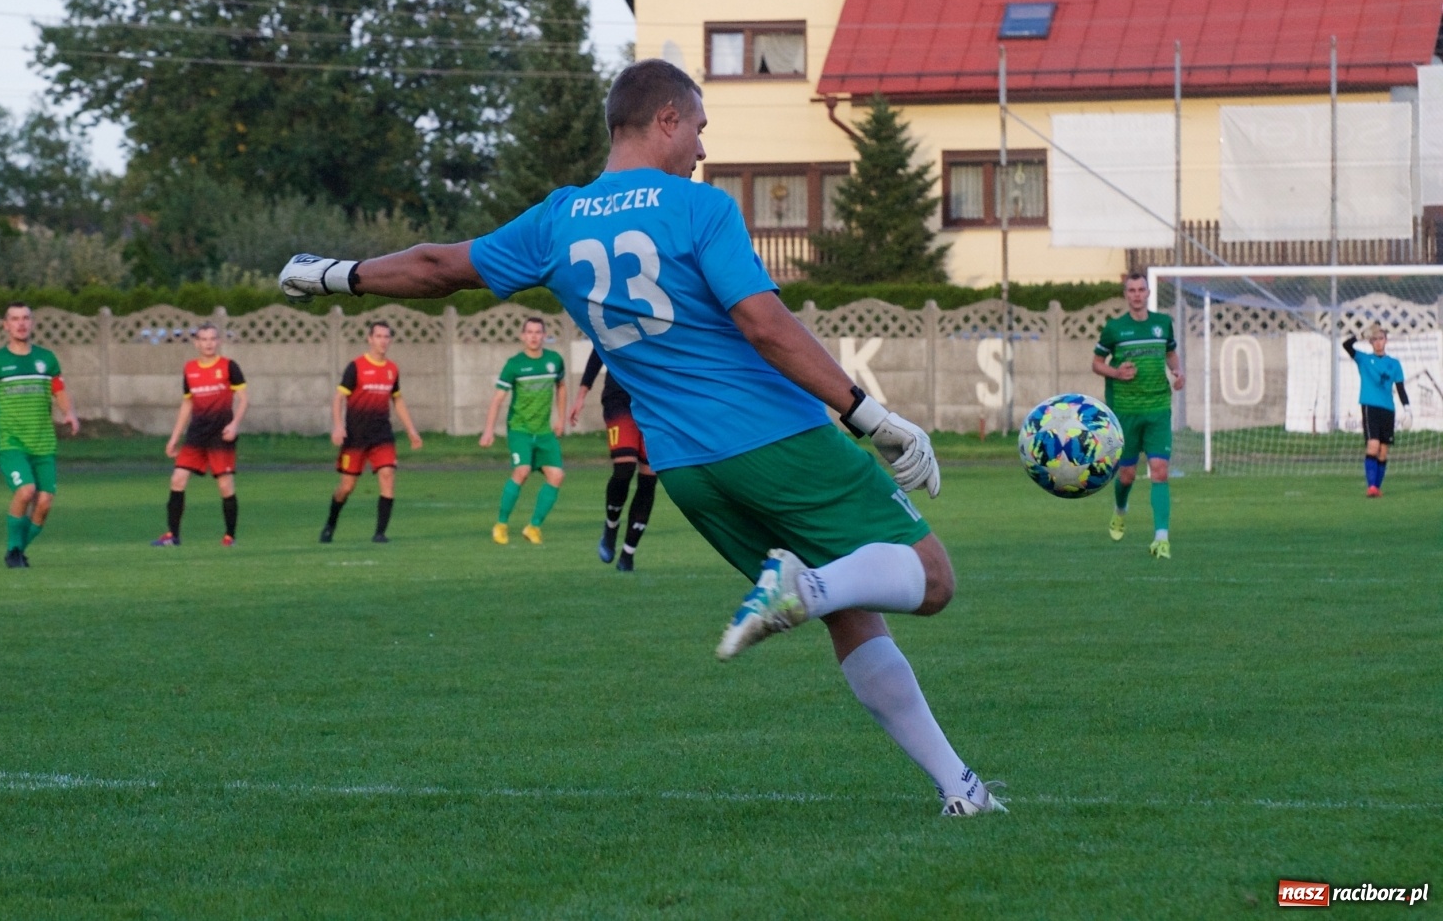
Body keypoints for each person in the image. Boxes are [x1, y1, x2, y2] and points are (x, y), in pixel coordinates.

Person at [280, 58, 1005, 816]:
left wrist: (335, 274)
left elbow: (436, 266)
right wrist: (870, 415)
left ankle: (961, 788)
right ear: (664, 119)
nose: (700, 147)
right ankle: (806, 586)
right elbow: (764, 324)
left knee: (852, 614)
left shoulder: (557, 219)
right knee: (931, 576)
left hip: (690, 471)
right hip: (773, 439)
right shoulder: (699, 209)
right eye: (696, 127)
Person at [0, 302, 80, 568]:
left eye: (26, 318)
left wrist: (69, 413)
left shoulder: (46, 359)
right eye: (15, 319)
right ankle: (13, 551)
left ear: (32, 323)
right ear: (6, 325)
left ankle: (17, 551)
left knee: (45, 503)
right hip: (10, 441)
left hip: (43, 442)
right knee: (26, 490)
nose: (21, 323)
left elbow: (59, 389)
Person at [1092, 270, 1185, 560]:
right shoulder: (1114, 329)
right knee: (1127, 475)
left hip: (1158, 408)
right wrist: (1116, 372)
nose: (1136, 294)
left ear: (1147, 293)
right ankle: (1120, 510)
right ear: (1126, 295)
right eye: (1131, 290)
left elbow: (1170, 353)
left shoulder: (1162, 324)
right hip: (1126, 411)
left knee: (1160, 470)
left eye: (1140, 289)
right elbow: (1096, 363)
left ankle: (1161, 538)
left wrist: (1177, 371)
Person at [321, 319, 424, 542]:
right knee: (346, 487)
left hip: (382, 435)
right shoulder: (356, 367)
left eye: (387, 337)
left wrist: (411, 430)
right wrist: (338, 425)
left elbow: (397, 400)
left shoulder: (392, 369)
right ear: (370, 339)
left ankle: (380, 533)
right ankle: (330, 524)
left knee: (388, 476)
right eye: (379, 336)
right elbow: (339, 398)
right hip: (356, 437)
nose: (383, 341)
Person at [151, 323, 247, 547]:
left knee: (225, 486)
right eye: (204, 339)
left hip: (221, 435)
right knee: (177, 479)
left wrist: (234, 424)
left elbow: (244, 399)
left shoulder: (229, 366)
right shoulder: (190, 369)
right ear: (196, 343)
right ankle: (173, 536)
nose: (208, 343)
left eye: (213, 339)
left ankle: (229, 536)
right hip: (196, 435)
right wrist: (175, 437)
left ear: (218, 341)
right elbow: (187, 404)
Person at [479, 316, 567, 545]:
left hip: (544, 432)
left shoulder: (554, 361)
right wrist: (488, 431)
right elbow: (498, 399)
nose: (534, 336)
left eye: (538, 332)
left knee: (557, 476)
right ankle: (501, 524)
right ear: (522, 336)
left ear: (544, 335)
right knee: (522, 471)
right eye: (529, 332)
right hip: (520, 430)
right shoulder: (514, 365)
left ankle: (533, 527)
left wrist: (561, 419)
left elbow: (562, 386)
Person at [569, 351, 656, 572]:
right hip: (619, 398)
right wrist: (581, 395)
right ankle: (611, 526)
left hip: (654, 402)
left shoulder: (663, 321)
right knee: (624, 467)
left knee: (649, 477)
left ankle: (628, 554)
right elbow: (598, 351)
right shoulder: (616, 318)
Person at [1343, 324, 1410, 497]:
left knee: (1383, 451)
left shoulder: (1394, 364)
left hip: (1388, 409)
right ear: (1371, 342)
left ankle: (1376, 488)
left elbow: (1400, 388)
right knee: (1373, 446)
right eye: (1375, 339)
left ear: (1386, 340)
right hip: (1370, 407)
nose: (1378, 342)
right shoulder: (1364, 359)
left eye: (1381, 338)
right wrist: (1360, 335)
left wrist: (1408, 410)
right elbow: (1346, 346)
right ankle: (1371, 487)